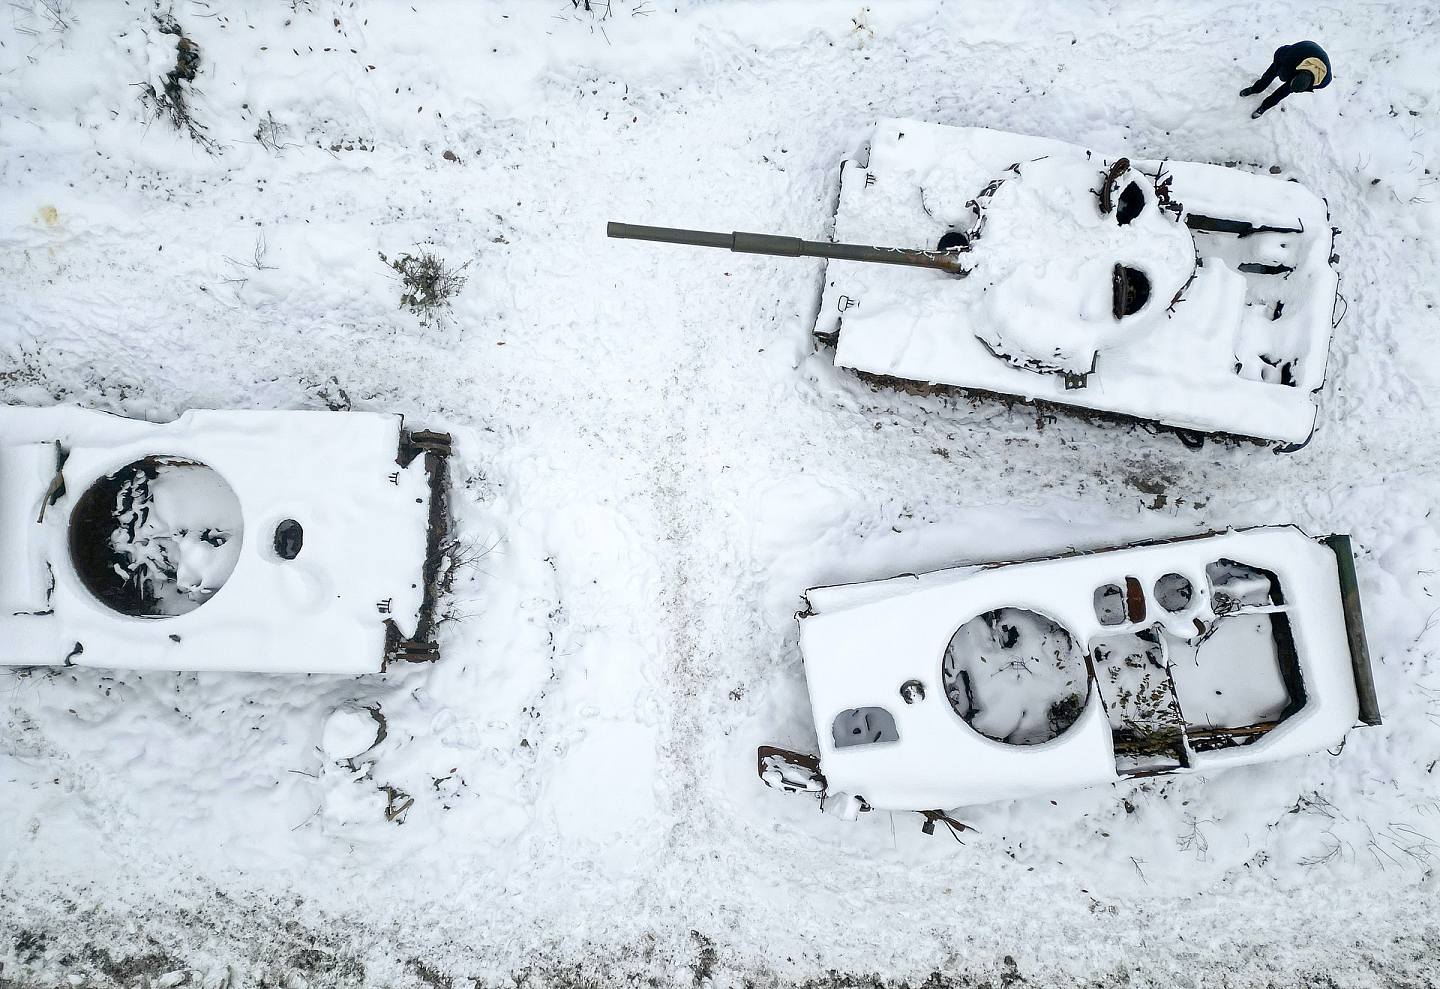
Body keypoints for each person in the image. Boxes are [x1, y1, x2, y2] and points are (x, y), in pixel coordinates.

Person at [1241, 40, 1332, 119]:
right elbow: (1279, 52)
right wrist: (1281, 73)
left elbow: (1293, 86)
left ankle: (1265, 106)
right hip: (1303, 50)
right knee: (1269, 75)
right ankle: (1255, 89)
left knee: (1283, 92)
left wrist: (1293, 86)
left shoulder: (1324, 81)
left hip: (1308, 62)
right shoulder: (1292, 55)